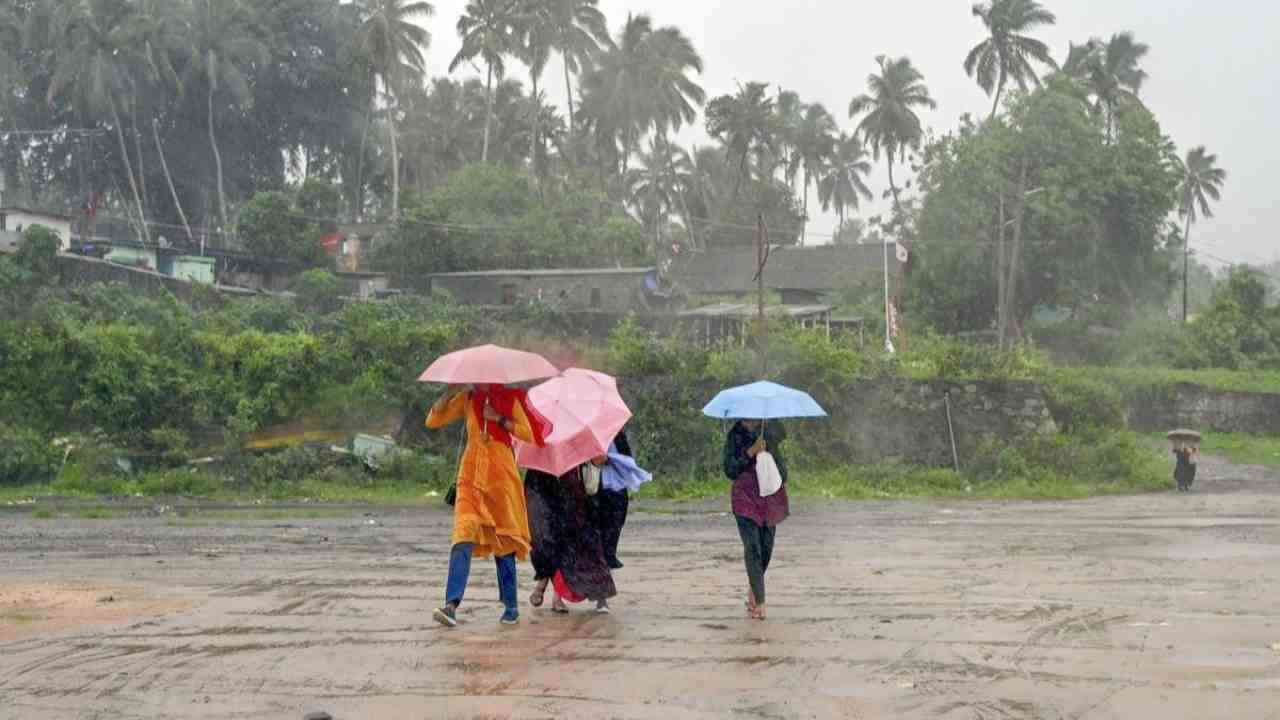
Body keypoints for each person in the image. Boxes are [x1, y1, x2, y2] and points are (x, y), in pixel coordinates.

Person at [427, 383, 551, 628]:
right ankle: (451, 605)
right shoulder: (468, 398)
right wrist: (449, 393)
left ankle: (511, 606)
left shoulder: (510, 398)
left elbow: (528, 433)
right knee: (463, 534)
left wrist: (499, 419)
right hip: (471, 476)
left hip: (501, 479)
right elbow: (433, 421)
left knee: (503, 542)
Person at [526, 461, 617, 614]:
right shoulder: (538, 454)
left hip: (575, 493)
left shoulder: (577, 443)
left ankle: (600, 596)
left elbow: (599, 459)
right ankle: (552, 592)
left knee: (588, 545)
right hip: (545, 489)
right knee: (550, 544)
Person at [723, 419, 789, 620]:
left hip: (769, 497)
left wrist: (766, 449)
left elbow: (782, 473)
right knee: (753, 547)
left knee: (766, 547)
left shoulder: (768, 430)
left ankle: (754, 586)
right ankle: (760, 602)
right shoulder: (735, 435)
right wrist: (750, 452)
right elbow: (730, 470)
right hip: (745, 498)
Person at [594, 430, 633, 569]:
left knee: (617, 519)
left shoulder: (619, 435)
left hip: (617, 483)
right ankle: (601, 555)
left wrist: (609, 459)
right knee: (599, 520)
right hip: (596, 484)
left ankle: (610, 553)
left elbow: (628, 458)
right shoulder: (590, 436)